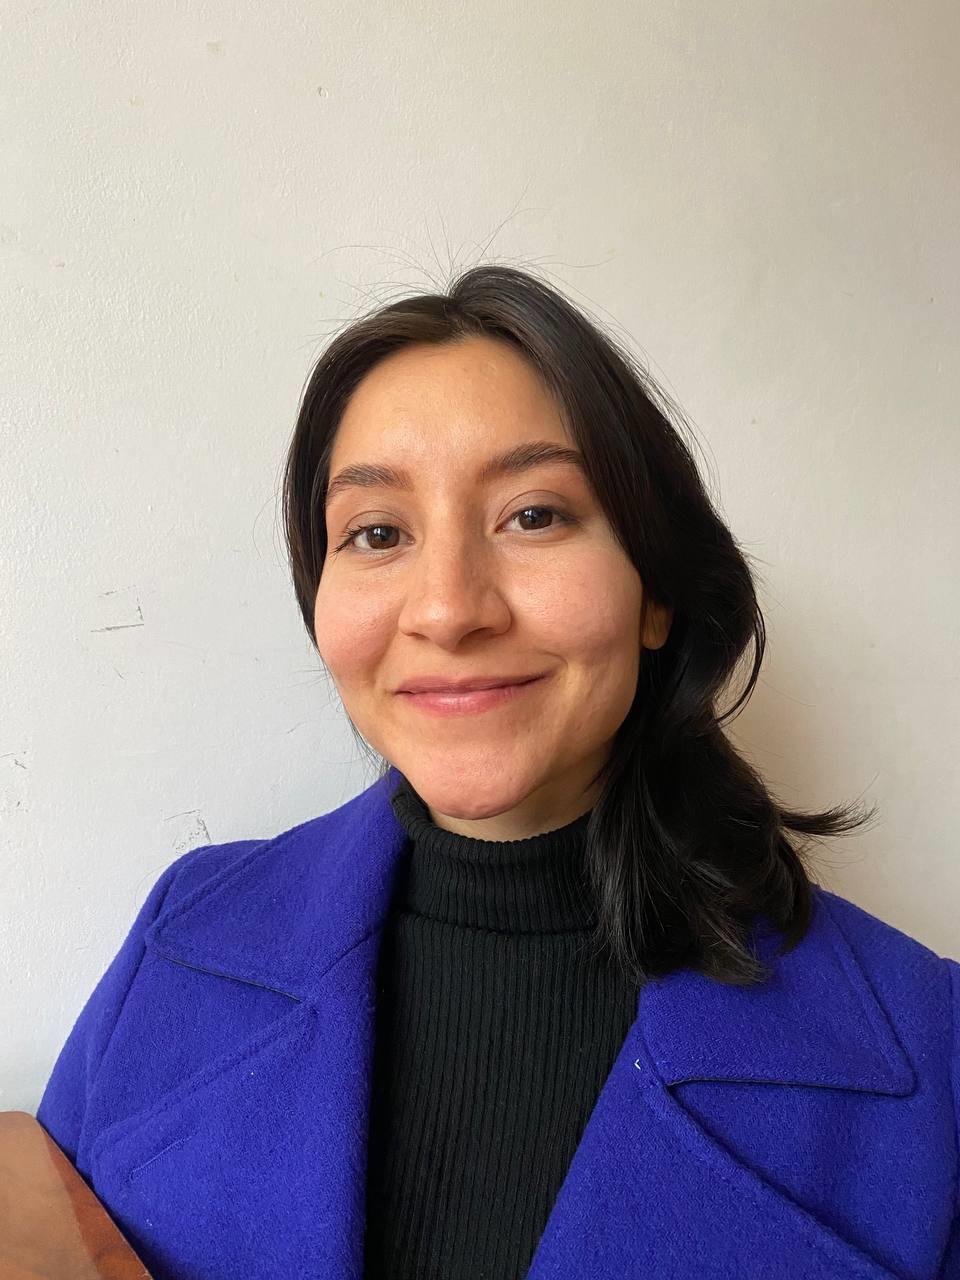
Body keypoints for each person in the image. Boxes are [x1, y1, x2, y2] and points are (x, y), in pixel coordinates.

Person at [36, 264, 960, 1279]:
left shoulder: (932, 1055)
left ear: (656, 592)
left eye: (535, 515)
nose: (448, 608)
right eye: (377, 532)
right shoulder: (181, 943)